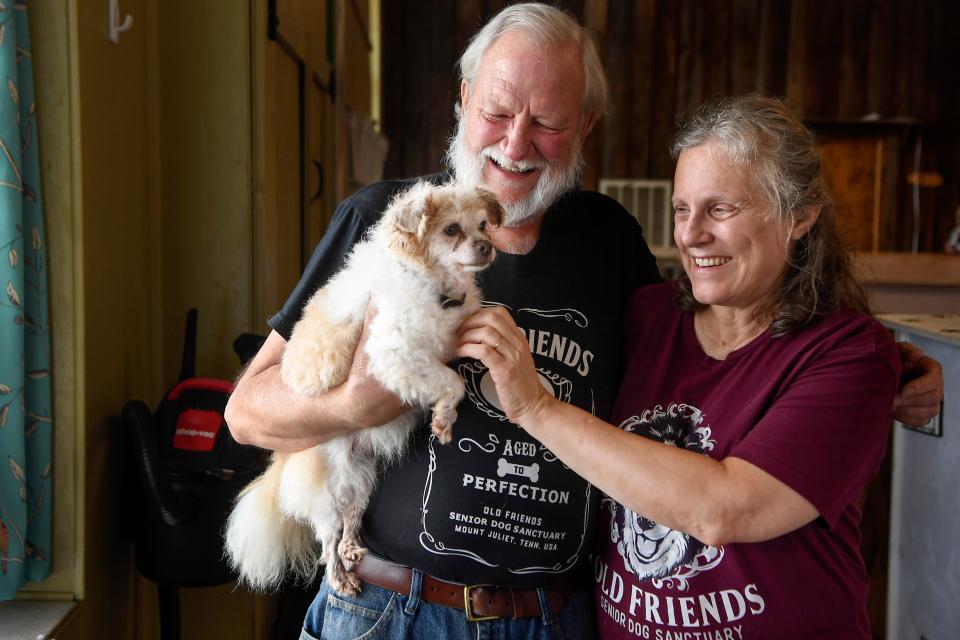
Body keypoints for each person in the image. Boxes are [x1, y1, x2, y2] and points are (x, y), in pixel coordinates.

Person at [225, 4, 943, 638]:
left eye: (549, 122)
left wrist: (890, 366)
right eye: (499, 112)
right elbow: (247, 413)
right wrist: (358, 401)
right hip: (391, 610)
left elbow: (709, 340)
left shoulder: (609, 241)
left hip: (556, 618)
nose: (515, 144)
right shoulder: (385, 223)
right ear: (464, 98)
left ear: (585, 128)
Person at [458, 94, 912, 639]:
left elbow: (725, 509)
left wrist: (533, 406)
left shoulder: (847, 355)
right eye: (681, 209)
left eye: (721, 209)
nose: (691, 234)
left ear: (800, 215)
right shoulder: (648, 316)